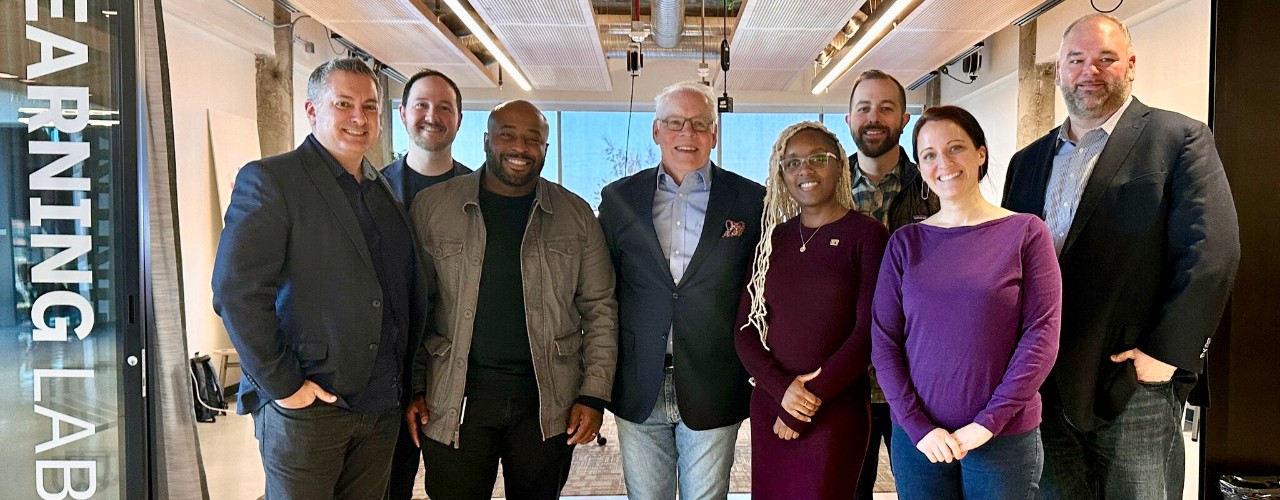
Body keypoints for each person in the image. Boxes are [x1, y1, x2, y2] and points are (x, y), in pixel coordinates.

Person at [1003, 13, 1240, 499]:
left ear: (1130, 66)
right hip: (1043, 380)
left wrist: (1167, 354)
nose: (1090, 70)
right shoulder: (1026, 162)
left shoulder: (1179, 140)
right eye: (1076, 60)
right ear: (1059, 70)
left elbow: (1212, 251)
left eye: (1106, 59)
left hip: (1133, 380)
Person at [212, 57, 428, 499]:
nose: (358, 117)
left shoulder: (381, 188)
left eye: (369, 107)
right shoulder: (272, 180)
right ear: (312, 110)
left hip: (380, 406)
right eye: (343, 103)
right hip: (311, 406)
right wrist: (285, 387)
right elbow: (237, 292)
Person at [405, 100, 618, 499]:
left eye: (532, 138)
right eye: (507, 135)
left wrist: (592, 395)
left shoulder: (576, 215)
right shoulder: (434, 208)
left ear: (545, 149)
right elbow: (415, 305)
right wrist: (415, 386)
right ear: (487, 140)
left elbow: (601, 308)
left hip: (546, 403)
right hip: (454, 396)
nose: (520, 147)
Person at [872, 105, 1062, 499]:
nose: (944, 162)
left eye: (955, 147)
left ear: (981, 153)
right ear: (921, 168)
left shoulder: (1026, 233)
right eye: (929, 155)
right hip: (921, 440)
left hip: (1003, 438)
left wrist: (988, 423)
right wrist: (916, 425)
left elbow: (1041, 337)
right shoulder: (905, 244)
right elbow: (885, 342)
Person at [598, 80, 765, 499]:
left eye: (699, 123)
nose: (687, 133)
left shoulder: (750, 200)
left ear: (713, 133)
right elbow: (603, 291)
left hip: (714, 377)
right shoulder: (619, 200)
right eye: (675, 123)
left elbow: (761, 291)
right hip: (639, 380)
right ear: (656, 132)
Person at [734, 121, 887, 499]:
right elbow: (744, 330)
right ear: (780, 173)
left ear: (839, 166)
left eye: (818, 159)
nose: (806, 170)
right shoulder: (773, 239)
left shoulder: (867, 236)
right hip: (771, 402)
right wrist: (781, 391)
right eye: (793, 163)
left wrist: (806, 398)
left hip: (835, 409)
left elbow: (868, 332)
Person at [844, 69, 940, 499]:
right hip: (845, 382)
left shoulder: (936, 189)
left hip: (917, 383)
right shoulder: (823, 191)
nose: (874, 117)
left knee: (923, 491)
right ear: (848, 119)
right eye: (864, 108)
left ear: (904, 119)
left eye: (886, 108)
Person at [382, 68, 471, 500]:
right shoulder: (371, 191)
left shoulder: (483, 193)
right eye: (421, 105)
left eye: (444, 107)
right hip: (384, 373)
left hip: (454, 375)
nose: (431, 115)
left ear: (459, 119)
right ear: (402, 114)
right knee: (388, 486)